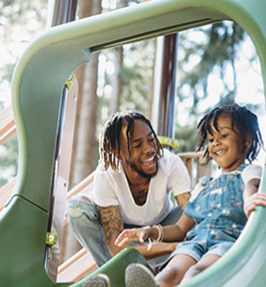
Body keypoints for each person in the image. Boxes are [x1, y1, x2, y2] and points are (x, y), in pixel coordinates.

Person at [81, 103, 266, 287]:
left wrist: (250, 201)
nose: (216, 143)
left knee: (196, 272)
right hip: (195, 243)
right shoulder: (204, 185)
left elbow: (251, 187)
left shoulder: (248, 171)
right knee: (167, 275)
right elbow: (181, 228)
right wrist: (151, 232)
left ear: (246, 139)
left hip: (225, 243)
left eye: (224, 135)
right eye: (211, 139)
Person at [66, 110, 192, 268]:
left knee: (196, 206)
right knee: (76, 209)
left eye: (151, 139)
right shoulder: (107, 176)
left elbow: (191, 216)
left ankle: (161, 268)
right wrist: (173, 247)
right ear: (118, 153)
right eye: (138, 145)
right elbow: (117, 247)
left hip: (163, 228)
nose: (149, 149)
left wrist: (164, 238)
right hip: (122, 236)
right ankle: (117, 274)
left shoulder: (171, 163)